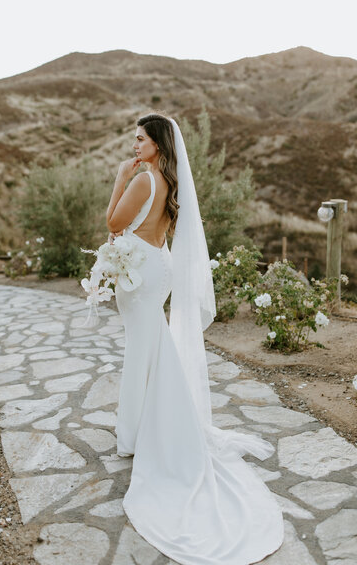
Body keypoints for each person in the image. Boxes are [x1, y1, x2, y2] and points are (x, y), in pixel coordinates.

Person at [106, 112, 284, 565]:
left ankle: (141, 433)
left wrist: (118, 178)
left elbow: (112, 222)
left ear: (159, 143)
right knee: (151, 349)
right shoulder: (170, 181)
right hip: (154, 266)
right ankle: (146, 425)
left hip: (143, 273)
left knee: (144, 351)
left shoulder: (144, 181)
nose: (134, 145)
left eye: (141, 139)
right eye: (134, 139)